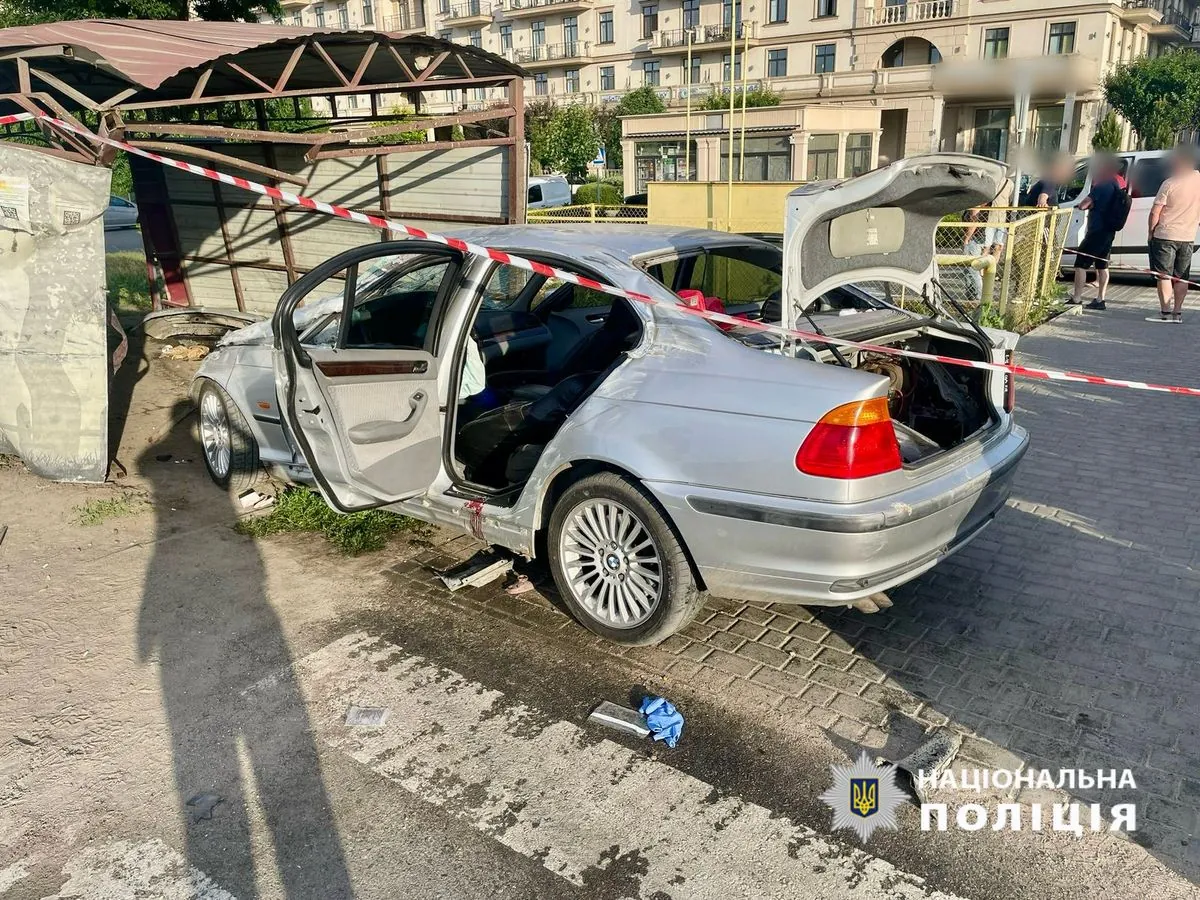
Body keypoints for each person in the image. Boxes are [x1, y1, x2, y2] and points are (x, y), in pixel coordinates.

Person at [1147, 145, 1200, 324]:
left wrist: (1151, 232)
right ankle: (1178, 313)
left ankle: (1165, 312)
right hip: (1188, 236)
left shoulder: (1169, 183)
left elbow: (1155, 212)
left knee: (1164, 276)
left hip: (1166, 234)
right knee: (1182, 277)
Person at [1070, 154, 1122, 310]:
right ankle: (1101, 299)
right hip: (1108, 231)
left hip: (1096, 231)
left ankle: (1077, 298)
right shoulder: (1115, 184)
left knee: (1081, 264)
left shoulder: (1102, 185)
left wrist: (1081, 205)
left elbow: (1084, 204)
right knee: (1102, 265)